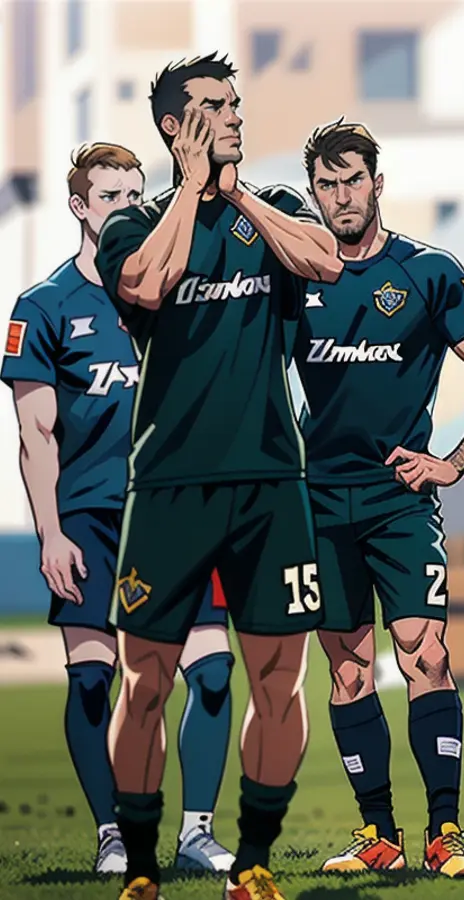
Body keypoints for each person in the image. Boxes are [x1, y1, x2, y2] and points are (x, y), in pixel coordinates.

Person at [95, 54, 343, 900]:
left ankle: (258, 862)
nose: (233, 115)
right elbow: (149, 285)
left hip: (273, 482)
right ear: (173, 125)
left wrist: (233, 192)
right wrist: (194, 192)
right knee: (145, 681)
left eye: (235, 103)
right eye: (212, 106)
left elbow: (327, 263)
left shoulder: (269, 207)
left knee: (277, 678)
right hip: (168, 482)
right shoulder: (136, 222)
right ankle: (139, 868)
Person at [290, 120, 464, 877]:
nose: (341, 196)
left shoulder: (428, 271)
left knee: (425, 653)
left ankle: (447, 834)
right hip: (319, 502)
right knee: (349, 671)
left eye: (352, 179)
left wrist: (453, 460)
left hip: (398, 503)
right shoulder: (296, 276)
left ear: (377, 183)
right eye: (325, 184)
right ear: (314, 194)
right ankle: (379, 837)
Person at [1, 143, 236, 877]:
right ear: (79, 206)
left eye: (136, 194)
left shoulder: (175, 297)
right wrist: (50, 534)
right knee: (95, 679)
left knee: (215, 672)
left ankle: (196, 832)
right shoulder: (41, 309)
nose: (126, 208)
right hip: (92, 521)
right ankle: (112, 834)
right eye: (109, 197)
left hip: (179, 514)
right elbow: (35, 434)